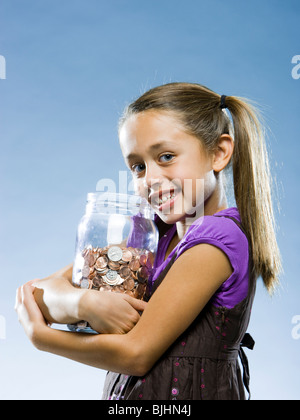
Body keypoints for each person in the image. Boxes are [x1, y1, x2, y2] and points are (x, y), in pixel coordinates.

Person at [15, 82, 282, 400]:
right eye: (138, 166)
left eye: (167, 156)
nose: (150, 179)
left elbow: (135, 354)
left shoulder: (216, 242)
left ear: (219, 152)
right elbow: (42, 292)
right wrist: (87, 303)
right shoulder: (153, 232)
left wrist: (41, 338)